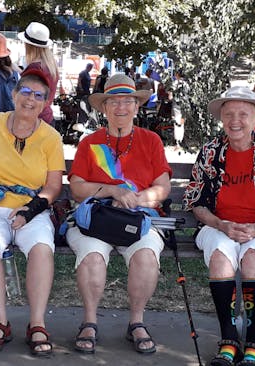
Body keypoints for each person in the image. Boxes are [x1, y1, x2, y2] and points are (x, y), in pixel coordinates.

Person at [183, 86, 255, 366]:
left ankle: (254, 343)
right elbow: (196, 202)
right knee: (221, 259)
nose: (235, 120)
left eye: (243, 114)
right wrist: (220, 224)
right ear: (221, 118)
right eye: (229, 114)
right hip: (217, 225)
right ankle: (229, 340)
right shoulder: (211, 151)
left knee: (253, 259)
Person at [66, 74, 171, 355]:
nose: (121, 107)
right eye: (114, 101)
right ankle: (89, 321)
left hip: (138, 219)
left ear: (137, 107)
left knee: (146, 256)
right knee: (91, 256)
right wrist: (112, 191)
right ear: (104, 108)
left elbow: (163, 187)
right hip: (97, 220)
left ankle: (136, 322)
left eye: (128, 101)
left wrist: (139, 199)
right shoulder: (90, 143)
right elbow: (76, 188)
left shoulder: (151, 141)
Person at [0, 69, 64, 357]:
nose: (30, 100)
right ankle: (0, 322)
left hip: (31, 209)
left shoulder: (50, 137)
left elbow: (53, 186)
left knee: (42, 246)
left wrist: (30, 211)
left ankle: (37, 324)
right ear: (14, 94)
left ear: (45, 103)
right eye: (26, 92)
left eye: (39, 96)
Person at [18, 21, 59, 125]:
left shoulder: (35, 67)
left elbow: (26, 97)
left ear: (28, 45)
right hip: (47, 118)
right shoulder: (51, 65)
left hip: (33, 121)